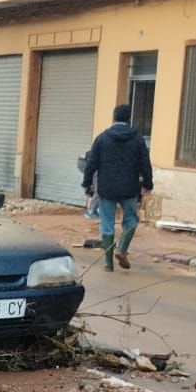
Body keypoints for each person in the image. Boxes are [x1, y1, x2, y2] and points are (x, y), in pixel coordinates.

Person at [81, 104, 154, 271]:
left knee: (107, 224)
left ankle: (108, 263)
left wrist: (87, 184)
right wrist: (148, 184)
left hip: (107, 189)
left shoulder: (102, 138)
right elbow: (145, 163)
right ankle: (122, 249)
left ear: (113, 118)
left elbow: (91, 164)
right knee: (131, 220)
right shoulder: (137, 139)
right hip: (130, 189)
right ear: (129, 119)